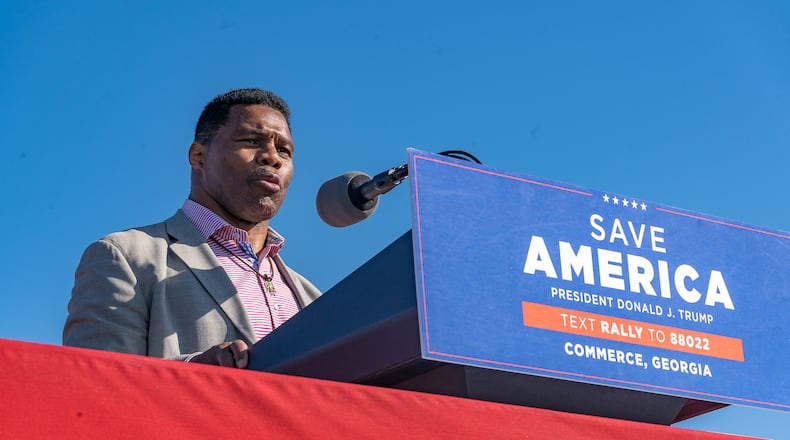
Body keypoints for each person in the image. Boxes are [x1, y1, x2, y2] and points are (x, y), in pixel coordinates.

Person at [63, 88, 321, 368]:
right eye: (251, 140)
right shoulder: (125, 256)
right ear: (198, 156)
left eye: (284, 150)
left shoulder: (313, 299)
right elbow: (96, 383)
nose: (272, 157)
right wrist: (196, 374)